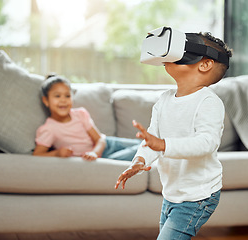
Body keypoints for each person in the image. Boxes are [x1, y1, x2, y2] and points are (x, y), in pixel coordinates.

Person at [115, 32, 232, 239]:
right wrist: (139, 160)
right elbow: (151, 139)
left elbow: (207, 143)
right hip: (172, 193)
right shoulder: (164, 99)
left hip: (198, 195)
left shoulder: (208, 102)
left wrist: (163, 145)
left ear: (204, 64)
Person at [33, 75, 140, 161]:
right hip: (101, 159)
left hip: (107, 145)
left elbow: (100, 140)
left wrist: (94, 152)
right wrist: (57, 153)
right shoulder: (48, 129)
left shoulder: (80, 114)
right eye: (57, 96)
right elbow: (37, 154)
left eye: (67, 96)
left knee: (144, 144)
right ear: (46, 100)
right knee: (146, 150)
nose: (63, 100)